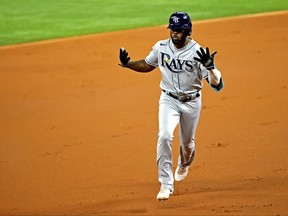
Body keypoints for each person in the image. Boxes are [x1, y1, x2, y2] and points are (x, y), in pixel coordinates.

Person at [118, 11, 224, 201]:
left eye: (179, 30)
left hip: (192, 102)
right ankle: (165, 184)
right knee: (164, 135)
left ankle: (184, 164)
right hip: (168, 100)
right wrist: (128, 64)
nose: (174, 33)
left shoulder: (198, 52)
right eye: (172, 29)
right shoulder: (161, 47)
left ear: (188, 31)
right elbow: (148, 64)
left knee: (187, 144)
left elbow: (217, 85)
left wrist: (210, 67)